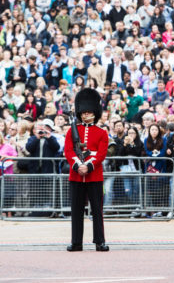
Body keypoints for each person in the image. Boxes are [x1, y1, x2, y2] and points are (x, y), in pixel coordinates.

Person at [64, 88, 109, 252]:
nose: (85, 115)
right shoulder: (72, 130)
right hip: (76, 176)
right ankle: (76, 242)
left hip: (94, 176)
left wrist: (88, 166)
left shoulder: (102, 132)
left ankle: (99, 241)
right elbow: (68, 151)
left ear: (94, 113)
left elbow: (101, 154)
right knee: (76, 211)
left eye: (89, 112)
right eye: (83, 112)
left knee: (97, 211)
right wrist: (78, 165)